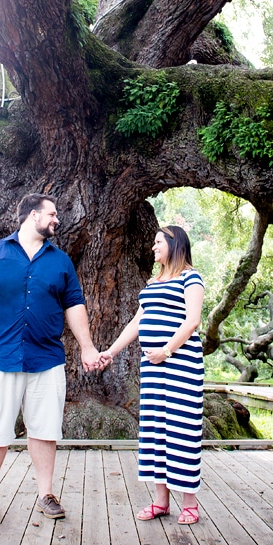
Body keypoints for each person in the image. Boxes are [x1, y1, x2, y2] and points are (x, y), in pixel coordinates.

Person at [0, 193, 101, 520]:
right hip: (0, 356)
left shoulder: (60, 261)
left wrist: (88, 346)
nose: (57, 219)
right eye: (51, 214)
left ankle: (46, 493)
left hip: (46, 359)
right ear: (32, 215)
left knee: (45, 429)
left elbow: (74, 305)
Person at [100, 225, 205, 525]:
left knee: (182, 429)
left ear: (175, 244)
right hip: (154, 367)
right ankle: (161, 501)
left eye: (158, 242)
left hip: (181, 364)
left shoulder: (190, 277)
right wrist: (111, 351)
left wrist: (167, 351)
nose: (153, 247)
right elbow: (137, 321)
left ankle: (190, 504)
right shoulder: (152, 282)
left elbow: (192, 321)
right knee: (156, 428)